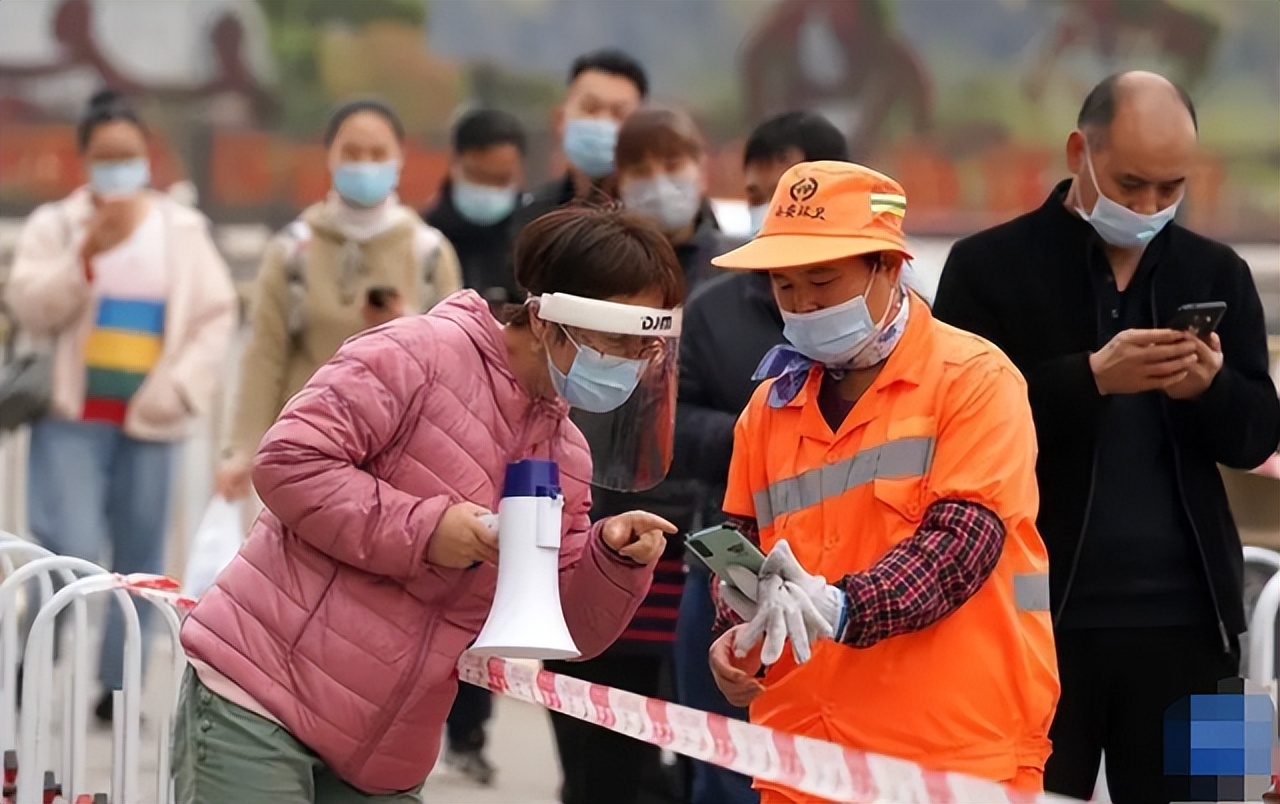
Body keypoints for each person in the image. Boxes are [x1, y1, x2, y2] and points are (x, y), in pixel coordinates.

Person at [174, 206, 687, 803]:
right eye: (616, 341)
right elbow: (289, 463)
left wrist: (613, 559)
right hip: (262, 694)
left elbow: (566, 625)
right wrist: (425, 530)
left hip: (384, 751)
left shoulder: (567, 454)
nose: (627, 363)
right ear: (548, 320)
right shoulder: (417, 354)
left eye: (643, 349)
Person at [933, 71, 1280, 803]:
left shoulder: (1217, 270)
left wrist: (1208, 390)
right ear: (1076, 153)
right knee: (1017, 792)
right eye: (1129, 183)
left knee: (1221, 795)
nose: (1149, 206)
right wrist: (1087, 378)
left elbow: (1255, 437)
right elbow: (953, 423)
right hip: (1033, 621)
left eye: (1170, 187)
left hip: (1201, 621)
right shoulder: (987, 266)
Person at [706, 161, 1060, 801]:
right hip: (802, 753)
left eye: (822, 279)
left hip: (949, 753)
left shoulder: (974, 380)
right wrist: (736, 628)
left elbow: (961, 545)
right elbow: (743, 542)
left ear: (888, 268)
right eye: (784, 286)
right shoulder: (770, 407)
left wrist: (843, 608)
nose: (803, 303)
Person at [5, 89, 237, 722]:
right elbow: (28, 305)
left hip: (152, 421)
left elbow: (215, 315)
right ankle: (31, 664)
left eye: (129, 156)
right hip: (72, 420)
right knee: (65, 550)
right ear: (84, 160)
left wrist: (181, 388)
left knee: (140, 557)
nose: (119, 169)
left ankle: (117, 685)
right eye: (105, 158)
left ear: (147, 156)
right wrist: (84, 259)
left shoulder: (181, 228)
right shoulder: (57, 224)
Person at [543, 107, 729, 804]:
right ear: (618, 178)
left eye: (672, 164)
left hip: (695, 542)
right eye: (642, 168)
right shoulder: (594, 274)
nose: (660, 183)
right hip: (606, 526)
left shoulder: (734, 278)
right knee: (602, 750)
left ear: (702, 166)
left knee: (696, 750)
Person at [670, 110, 848, 804]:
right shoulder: (711, 311)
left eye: (789, 193)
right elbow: (669, 428)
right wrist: (760, 436)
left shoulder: (923, 345)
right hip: (730, 575)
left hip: (843, 598)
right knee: (722, 775)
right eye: (758, 196)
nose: (802, 303)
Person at [215, 98, 462, 501]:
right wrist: (241, 449)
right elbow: (265, 353)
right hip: (307, 446)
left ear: (400, 157)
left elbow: (454, 364)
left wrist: (407, 322)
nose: (365, 163)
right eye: (352, 152)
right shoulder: (294, 250)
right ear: (329, 156)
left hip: (399, 452)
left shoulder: (428, 252)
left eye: (378, 153)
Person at [508, 49, 648, 239]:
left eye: (619, 113)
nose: (603, 122)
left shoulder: (651, 217)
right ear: (559, 119)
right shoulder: (533, 216)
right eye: (590, 108)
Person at [426, 108, 529, 306]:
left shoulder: (531, 239)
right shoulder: (428, 240)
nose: (490, 189)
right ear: (457, 161)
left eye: (501, 180)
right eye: (481, 177)